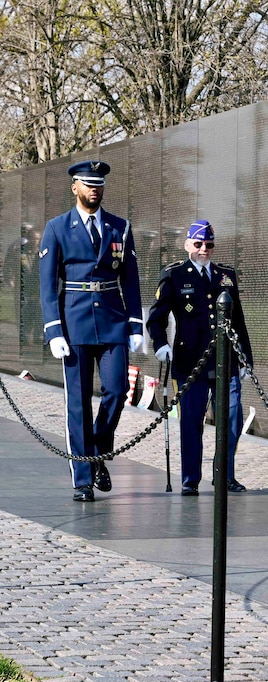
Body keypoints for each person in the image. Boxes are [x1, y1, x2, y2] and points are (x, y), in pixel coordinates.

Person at [39, 160, 144, 502]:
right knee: (79, 404)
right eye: (88, 184)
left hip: (112, 321)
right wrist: (54, 330)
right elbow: (46, 284)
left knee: (116, 391)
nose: (94, 189)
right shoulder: (57, 228)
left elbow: (130, 278)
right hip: (75, 323)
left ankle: (98, 448)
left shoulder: (119, 227)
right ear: (75, 187)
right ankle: (83, 478)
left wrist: (135, 324)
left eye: (98, 184)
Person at [146, 220, 253, 496]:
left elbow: (238, 320)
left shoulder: (226, 275)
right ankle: (191, 479)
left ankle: (225, 475)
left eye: (209, 245)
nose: (204, 249)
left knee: (231, 420)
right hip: (189, 362)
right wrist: (160, 344)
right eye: (198, 244)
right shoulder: (174, 275)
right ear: (187, 245)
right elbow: (156, 318)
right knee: (192, 422)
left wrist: (245, 360)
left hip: (225, 359)